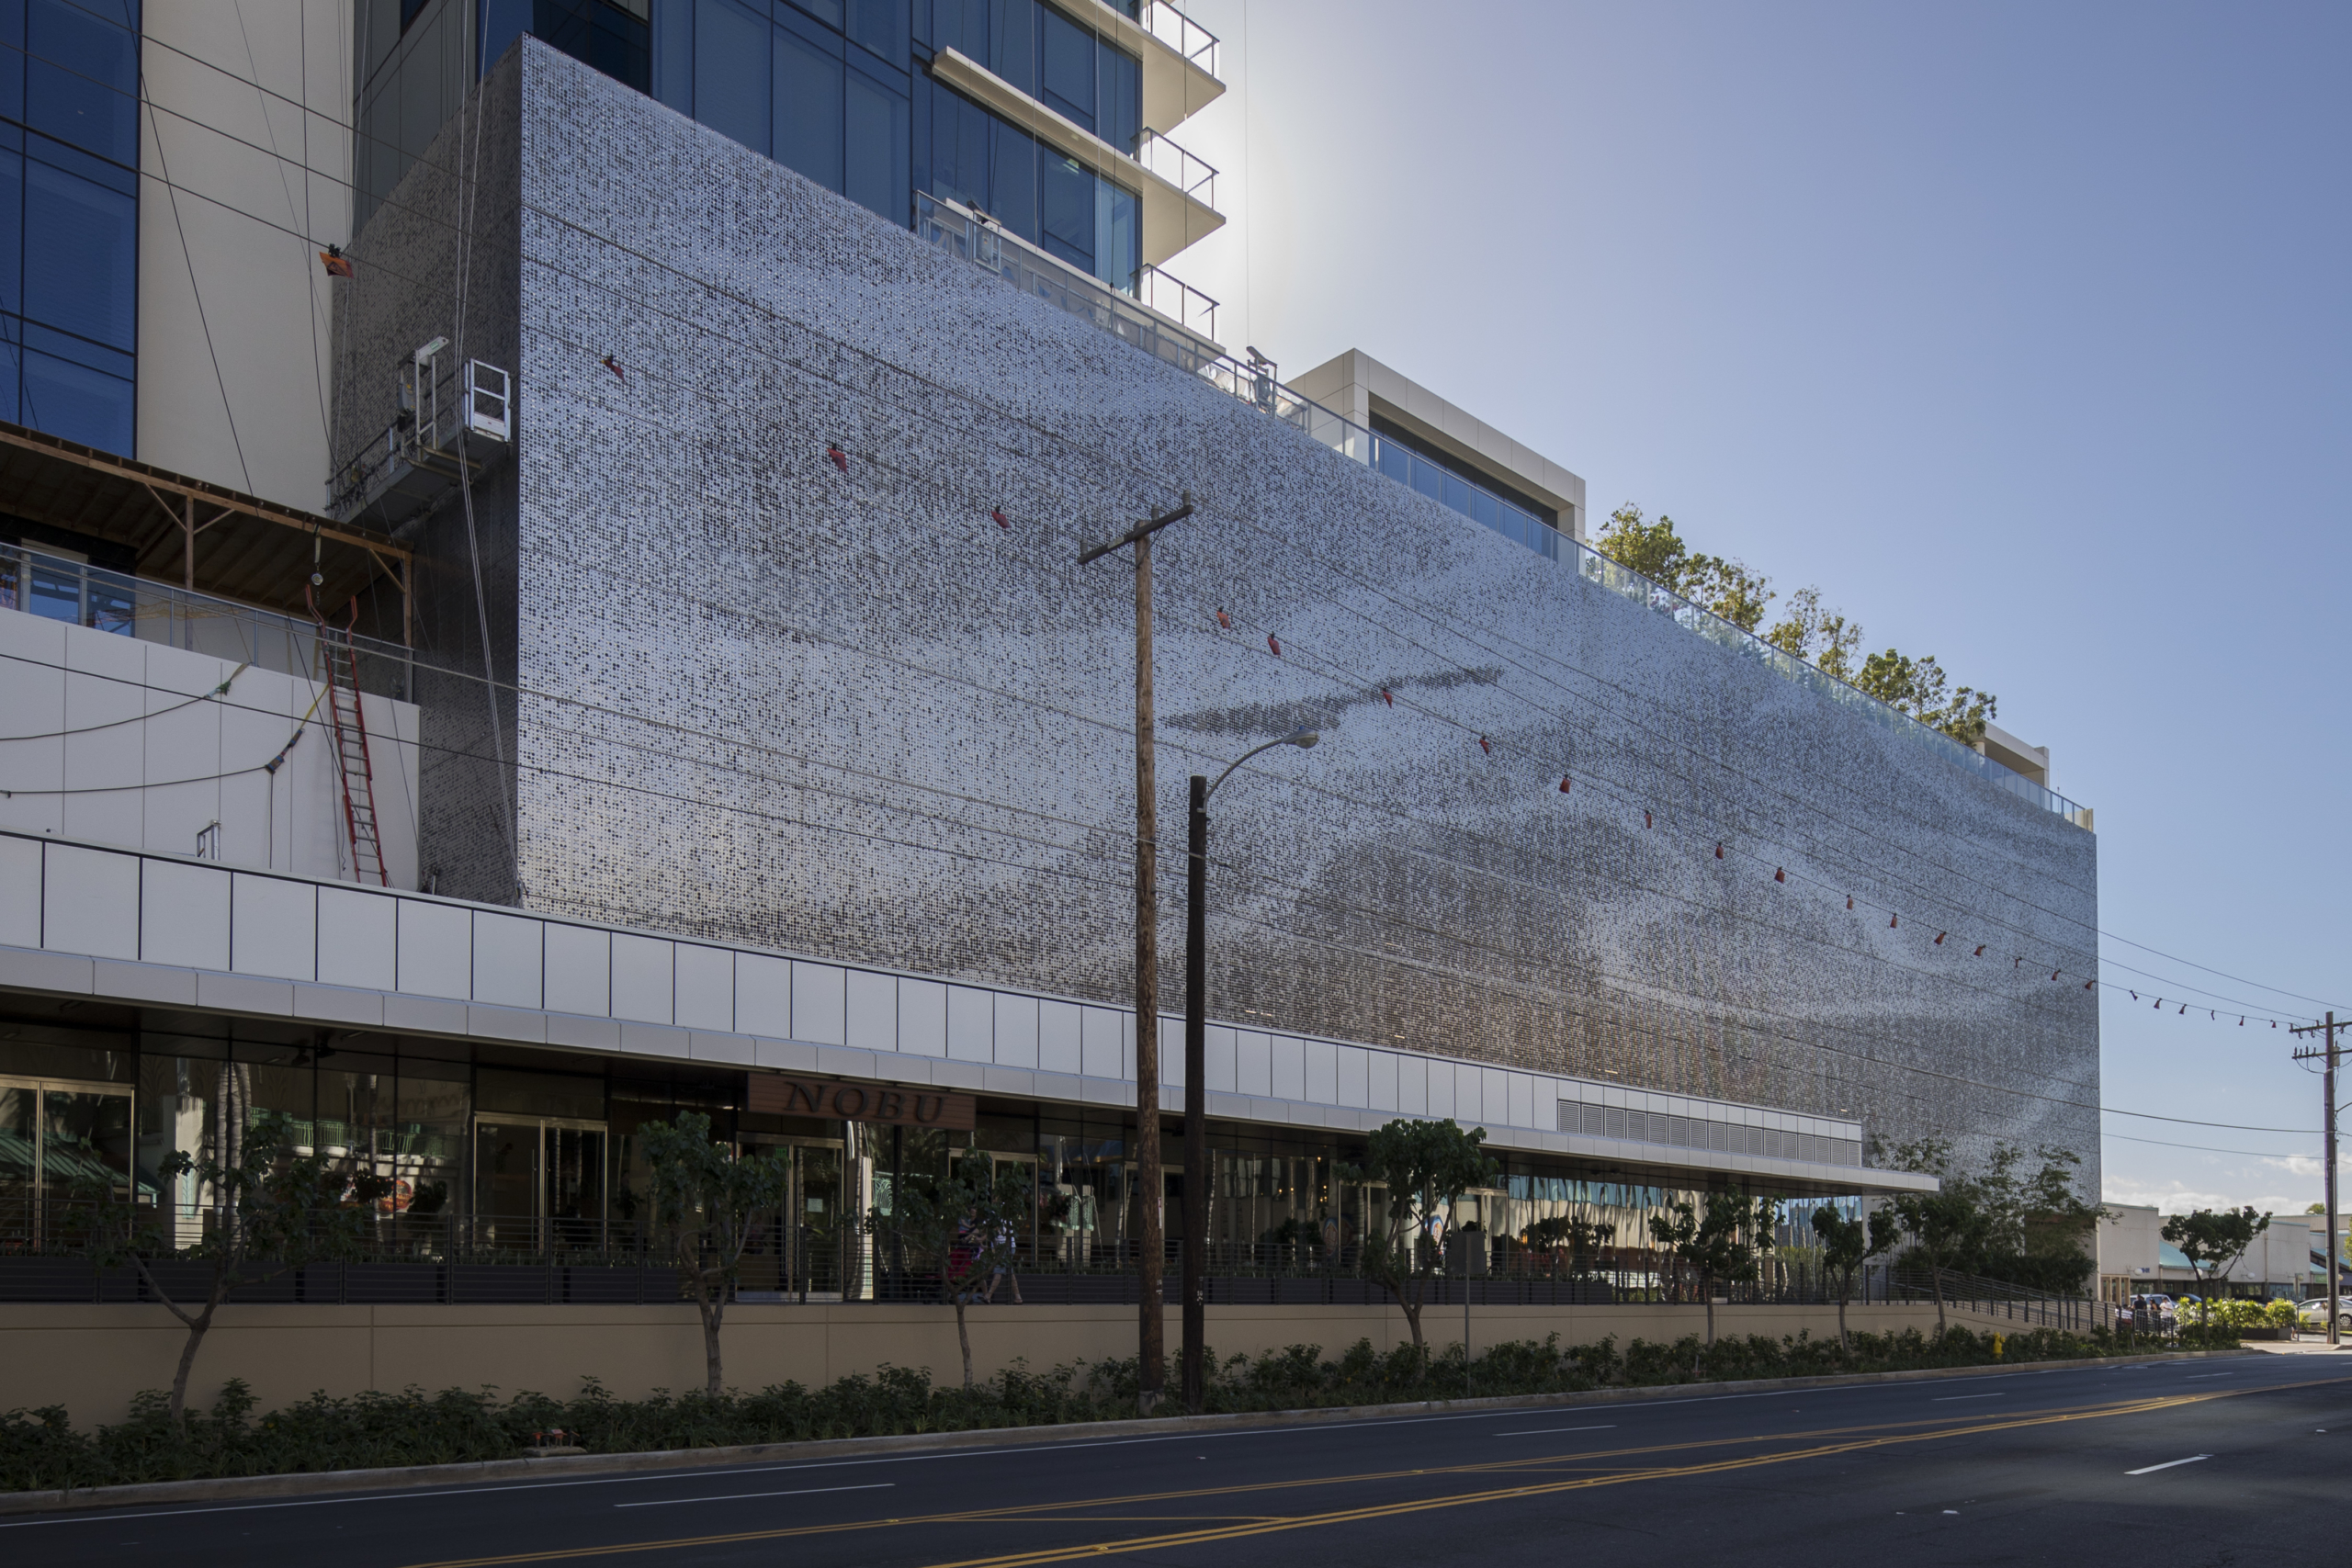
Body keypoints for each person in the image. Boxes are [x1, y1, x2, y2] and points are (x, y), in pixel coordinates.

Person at [981, 1213, 1024, 1303]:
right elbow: (985, 1225)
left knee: (998, 1270)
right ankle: (1018, 1297)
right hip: (1004, 1247)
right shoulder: (994, 1210)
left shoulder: (1002, 1209)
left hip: (1005, 1247)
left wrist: (981, 1238)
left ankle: (988, 1296)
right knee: (1010, 1272)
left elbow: (996, 1228)